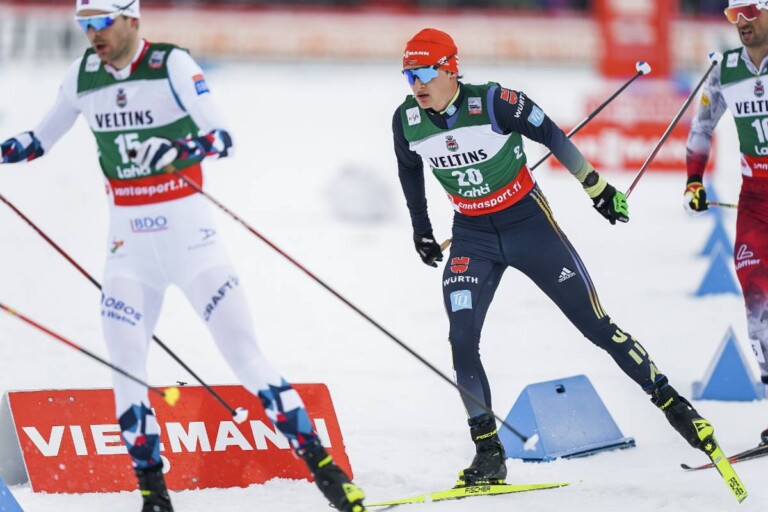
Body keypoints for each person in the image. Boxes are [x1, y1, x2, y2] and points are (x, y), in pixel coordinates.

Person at [0, 1, 366, 511]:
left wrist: (180, 150)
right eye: (85, 25)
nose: (93, 35)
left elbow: (225, 137)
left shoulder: (171, 64)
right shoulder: (81, 76)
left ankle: (329, 477)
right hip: (127, 251)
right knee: (125, 367)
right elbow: (37, 141)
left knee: (246, 359)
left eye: (102, 22)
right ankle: (154, 498)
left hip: (192, 244)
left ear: (131, 19)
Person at [393, 28, 719, 485]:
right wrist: (422, 232)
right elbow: (410, 173)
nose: (417, 84)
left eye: (426, 72)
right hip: (471, 237)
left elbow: (551, 134)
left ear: (451, 68)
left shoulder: (494, 102)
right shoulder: (406, 119)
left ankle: (673, 404)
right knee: (461, 340)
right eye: (409, 74)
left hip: (528, 226)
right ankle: (488, 451)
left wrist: (597, 187)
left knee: (595, 326)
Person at [685, 0, 768, 447]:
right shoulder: (726, 69)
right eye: (734, 15)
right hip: (755, 199)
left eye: (751, 12)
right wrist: (692, 181)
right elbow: (702, 126)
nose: (742, 23)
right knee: (756, 303)